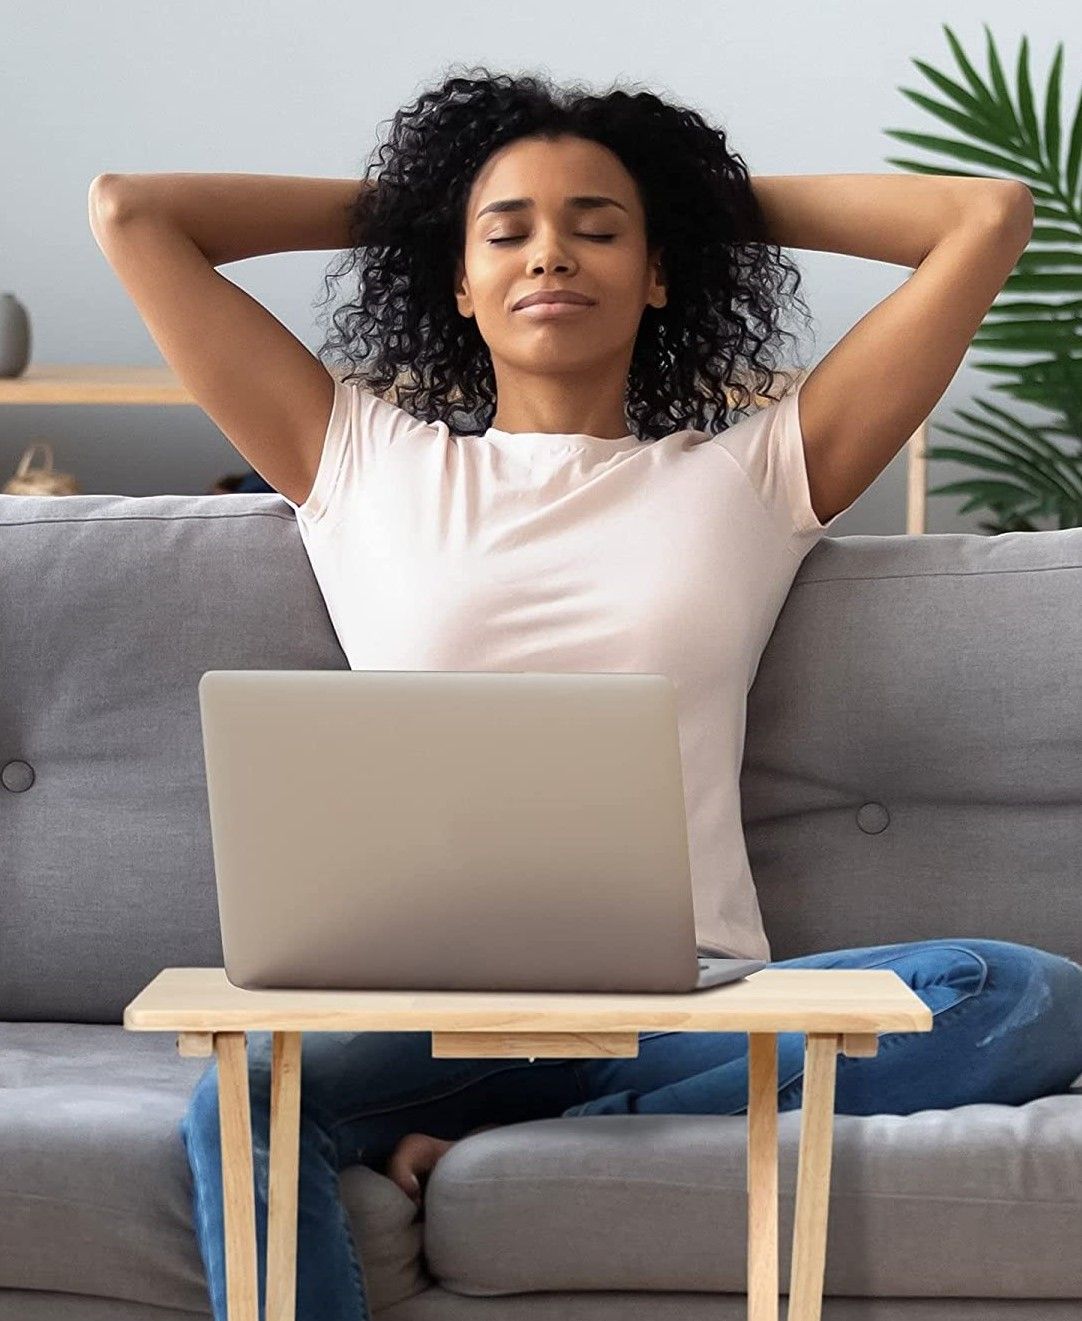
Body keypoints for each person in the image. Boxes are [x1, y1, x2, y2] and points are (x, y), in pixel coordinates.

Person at [92, 65, 1078, 1321]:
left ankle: (574, 1127)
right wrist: (444, 198)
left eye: (598, 230)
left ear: (660, 270)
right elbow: (134, 215)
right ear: (455, 278)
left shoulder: (758, 472)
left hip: (692, 999)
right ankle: (550, 1129)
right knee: (247, 1101)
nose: (550, 255)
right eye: (506, 235)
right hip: (422, 1011)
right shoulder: (355, 459)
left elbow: (982, 219)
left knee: (1025, 997)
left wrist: (677, 196)